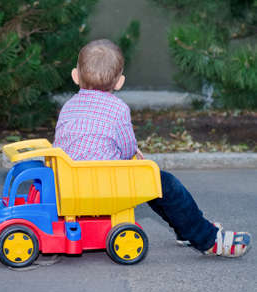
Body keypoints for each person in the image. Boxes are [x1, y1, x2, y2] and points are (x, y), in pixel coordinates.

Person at [53, 39, 251, 257]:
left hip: (70, 184)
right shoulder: (118, 109)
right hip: (103, 185)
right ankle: (207, 238)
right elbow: (127, 148)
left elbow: (61, 142)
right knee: (163, 183)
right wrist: (132, 156)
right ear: (119, 82)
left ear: (75, 75)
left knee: (150, 181)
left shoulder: (69, 106)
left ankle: (186, 229)